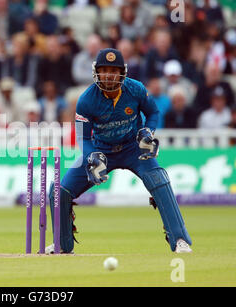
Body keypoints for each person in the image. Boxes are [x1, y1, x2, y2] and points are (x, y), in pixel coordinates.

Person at [45, 48, 192, 254]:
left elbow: (153, 112)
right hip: (101, 150)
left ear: (122, 72)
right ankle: (62, 244)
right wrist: (91, 157)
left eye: (113, 71)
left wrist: (147, 131)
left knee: (159, 180)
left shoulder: (136, 89)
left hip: (133, 148)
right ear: (97, 72)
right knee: (60, 190)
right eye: (104, 70)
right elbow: (83, 137)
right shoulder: (86, 100)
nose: (109, 75)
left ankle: (179, 240)